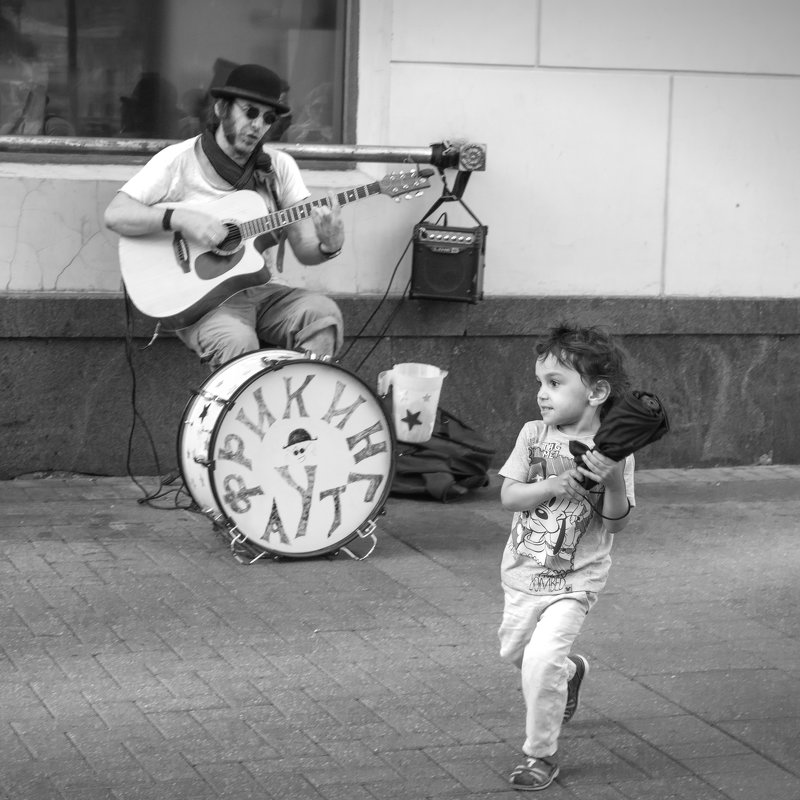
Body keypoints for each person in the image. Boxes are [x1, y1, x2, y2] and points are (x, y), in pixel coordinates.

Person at [104, 63, 344, 369]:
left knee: (324, 315)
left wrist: (329, 244)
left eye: (268, 118)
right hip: (203, 304)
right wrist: (181, 220)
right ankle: (242, 415)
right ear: (221, 109)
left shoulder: (279, 168)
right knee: (237, 342)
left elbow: (304, 247)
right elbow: (116, 214)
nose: (258, 125)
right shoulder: (178, 161)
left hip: (261, 290)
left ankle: (301, 400)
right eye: (250, 112)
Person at [497, 323, 636, 791]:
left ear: (597, 392)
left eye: (555, 383)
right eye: (540, 382)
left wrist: (613, 480)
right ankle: (572, 672)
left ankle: (541, 754)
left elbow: (617, 523)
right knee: (517, 653)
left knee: (540, 662)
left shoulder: (615, 449)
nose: (542, 393)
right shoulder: (534, 434)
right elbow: (510, 497)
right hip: (522, 574)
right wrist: (552, 485)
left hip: (576, 579)